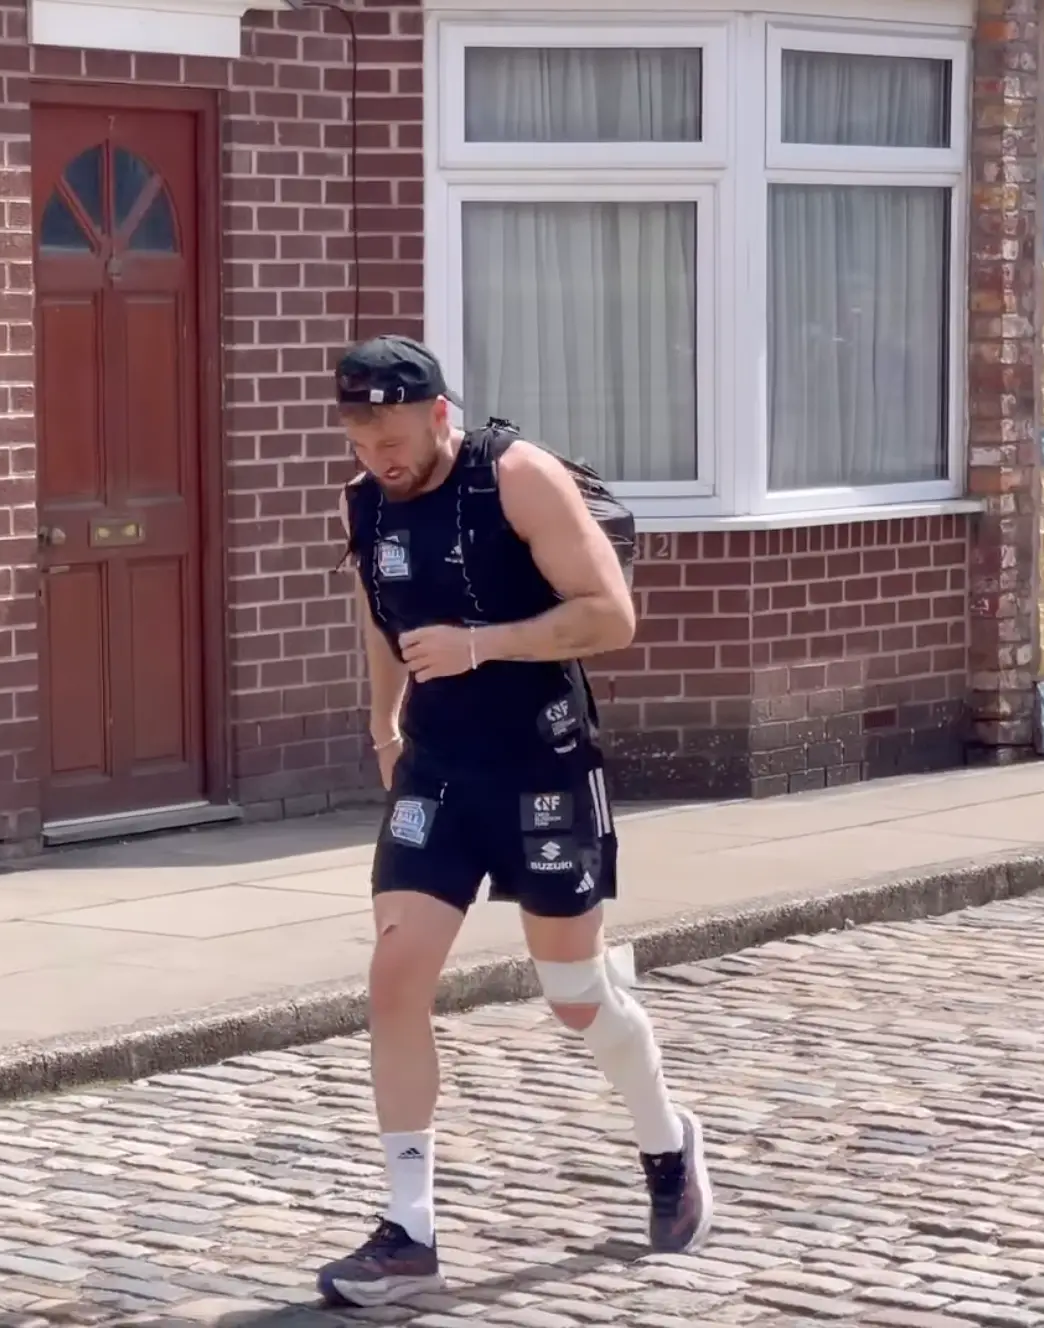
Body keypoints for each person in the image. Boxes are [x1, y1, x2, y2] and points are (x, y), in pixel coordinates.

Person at [316, 335, 712, 1309]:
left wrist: (479, 643)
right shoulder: (365, 501)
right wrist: (381, 720)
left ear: (438, 413)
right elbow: (380, 616)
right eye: (362, 439)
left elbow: (609, 615)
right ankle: (408, 1230)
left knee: (575, 991)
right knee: (394, 971)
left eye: (395, 436)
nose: (380, 457)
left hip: (543, 760)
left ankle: (666, 1141)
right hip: (439, 770)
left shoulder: (517, 479)